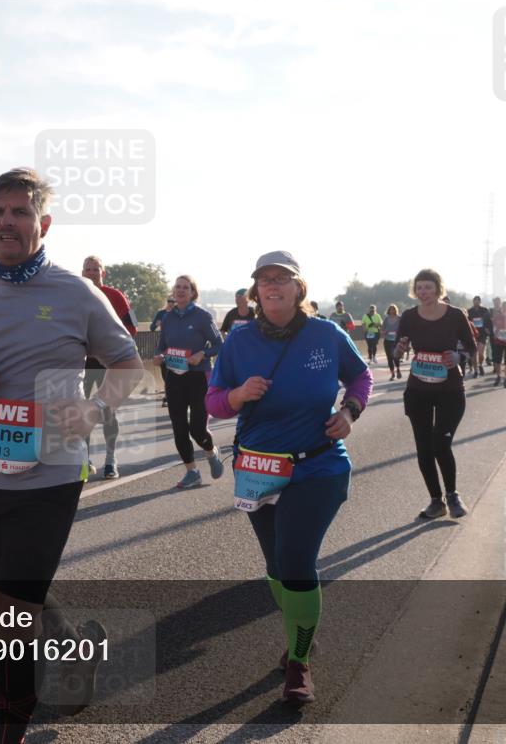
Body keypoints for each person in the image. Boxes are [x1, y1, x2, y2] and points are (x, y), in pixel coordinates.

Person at [0, 168, 143, 743]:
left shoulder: (76, 293)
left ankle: (8, 733)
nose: (8, 222)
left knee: (11, 620)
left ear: (43, 224)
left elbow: (127, 364)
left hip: (51, 474)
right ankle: (72, 644)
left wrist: (92, 412)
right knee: (4, 602)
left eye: (21, 213)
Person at [206, 250, 371, 705]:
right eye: (265, 280)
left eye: (283, 278)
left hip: (317, 466)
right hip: (258, 468)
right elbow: (214, 403)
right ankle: (302, 630)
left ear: (300, 287)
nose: (273, 285)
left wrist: (350, 411)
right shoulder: (239, 343)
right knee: (277, 566)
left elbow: (361, 377)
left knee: (296, 561)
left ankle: (298, 663)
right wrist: (238, 394)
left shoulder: (326, 334)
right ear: (256, 291)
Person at [394, 269, 476, 519]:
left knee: (440, 443)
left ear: (438, 289)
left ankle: (452, 495)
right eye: (419, 288)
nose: (423, 292)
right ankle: (435, 501)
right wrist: (399, 350)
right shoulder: (408, 316)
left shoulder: (455, 315)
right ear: (414, 290)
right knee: (423, 447)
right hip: (418, 390)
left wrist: (458, 356)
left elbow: (471, 348)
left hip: (450, 390)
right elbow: (398, 352)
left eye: (428, 287)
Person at [154, 275, 224, 489]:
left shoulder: (202, 316)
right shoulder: (167, 318)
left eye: (186, 287)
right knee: (178, 427)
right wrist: (159, 357)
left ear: (193, 292)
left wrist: (202, 354)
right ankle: (191, 471)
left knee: (197, 428)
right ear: (173, 291)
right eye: (178, 287)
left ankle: (211, 452)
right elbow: (161, 346)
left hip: (198, 377)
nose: (181, 291)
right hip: (174, 376)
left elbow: (219, 344)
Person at [81, 255, 137, 478]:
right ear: (82, 272)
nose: (92, 273)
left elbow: (132, 328)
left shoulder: (117, 296)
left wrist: (111, 343)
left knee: (107, 411)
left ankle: (111, 459)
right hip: (83, 364)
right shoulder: (76, 293)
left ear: (102, 273)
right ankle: (84, 460)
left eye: (96, 269)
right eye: (88, 269)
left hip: (110, 364)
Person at [151, 295, 175, 407]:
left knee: (174, 370)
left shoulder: (179, 314)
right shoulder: (161, 313)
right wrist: (157, 324)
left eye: (173, 301)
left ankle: (171, 395)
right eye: (169, 301)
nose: (171, 303)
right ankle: (168, 395)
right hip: (163, 345)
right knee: (165, 371)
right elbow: (151, 328)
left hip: (176, 346)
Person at [467, 296, 492, 378]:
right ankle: (476, 371)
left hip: (482, 334)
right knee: (474, 354)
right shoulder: (469, 311)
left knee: (481, 353)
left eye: (478, 301)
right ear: (473, 301)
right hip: (472, 334)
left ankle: (480, 364)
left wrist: (488, 330)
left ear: (480, 301)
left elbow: (489, 321)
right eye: (475, 301)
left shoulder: (484, 310)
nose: (476, 302)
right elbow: (466, 322)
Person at [381, 305, 403, 381]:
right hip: (387, 340)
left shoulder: (400, 318)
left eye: (393, 309)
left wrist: (400, 334)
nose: (392, 311)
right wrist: (384, 332)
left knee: (395, 356)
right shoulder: (386, 319)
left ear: (396, 310)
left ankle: (398, 369)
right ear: (388, 310)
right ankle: (392, 374)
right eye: (390, 309)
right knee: (389, 358)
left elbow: (403, 328)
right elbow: (382, 330)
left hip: (396, 340)